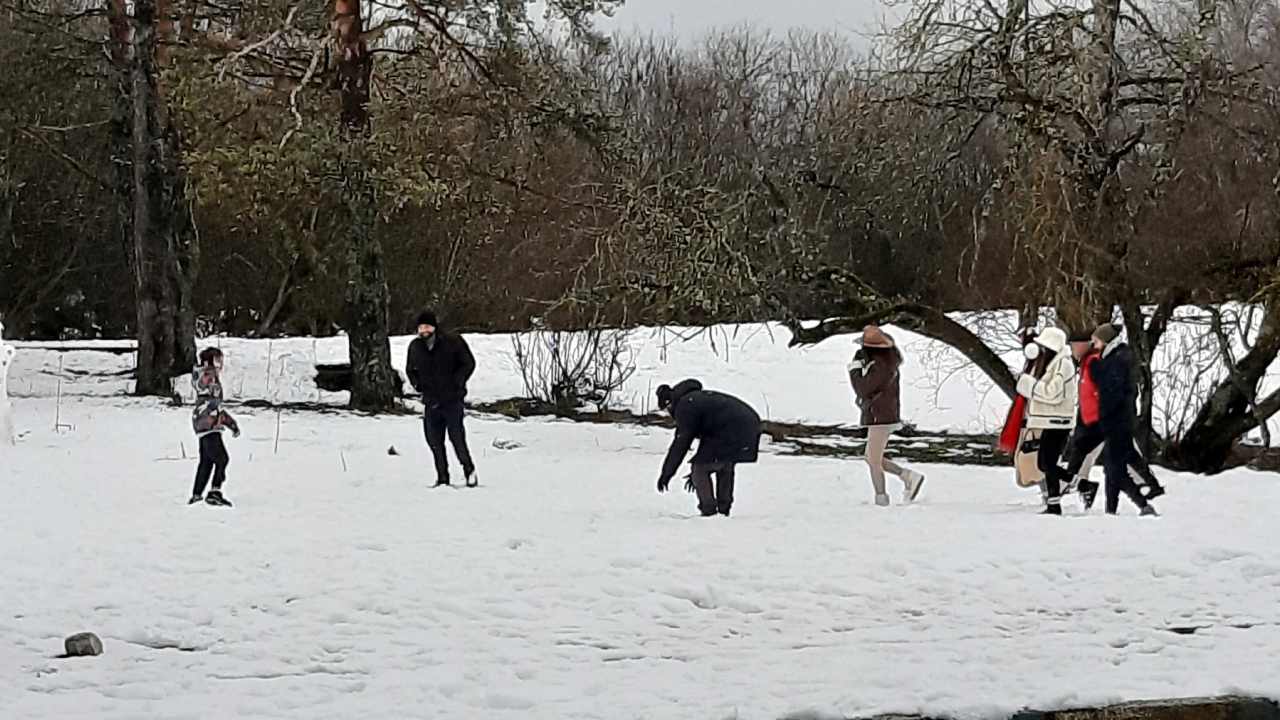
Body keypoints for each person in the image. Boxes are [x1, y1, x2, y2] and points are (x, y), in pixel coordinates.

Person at [1063, 324, 1159, 516]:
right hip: (1109, 421)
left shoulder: (1113, 359)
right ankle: (1123, 505)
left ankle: (1137, 504)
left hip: (1114, 422)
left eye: (1096, 340)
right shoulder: (1108, 358)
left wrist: (1098, 372)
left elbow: (1112, 390)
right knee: (1114, 466)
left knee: (1115, 469)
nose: (1094, 343)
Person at [655, 379, 762, 517]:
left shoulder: (685, 406)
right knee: (724, 464)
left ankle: (709, 511)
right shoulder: (698, 399)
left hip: (731, 430)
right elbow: (709, 438)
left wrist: (667, 473)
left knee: (700, 469)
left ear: (669, 403)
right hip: (750, 424)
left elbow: (681, 443)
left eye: (666, 409)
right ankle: (724, 509)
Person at [848, 325, 925, 506]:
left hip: (880, 416)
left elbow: (863, 388)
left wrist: (854, 370)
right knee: (871, 457)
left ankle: (881, 498)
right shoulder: (885, 362)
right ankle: (907, 476)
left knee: (873, 460)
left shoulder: (881, 365)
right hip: (881, 414)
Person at [406, 310, 478, 488]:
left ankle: (469, 470)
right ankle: (442, 477)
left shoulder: (452, 342)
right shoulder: (415, 347)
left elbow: (469, 363)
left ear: (435, 327)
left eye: (428, 327)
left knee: (457, 438)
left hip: (452, 399)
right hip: (431, 401)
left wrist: (457, 381)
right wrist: (418, 385)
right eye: (421, 327)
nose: (424, 331)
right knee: (434, 441)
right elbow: (410, 369)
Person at [1015, 327, 1078, 515]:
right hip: (1048, 421)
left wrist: (1029, 385)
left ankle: (1063, 496)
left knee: (1046, 464)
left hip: (1058, 423)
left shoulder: (1063, 365)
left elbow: (1052, 393)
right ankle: (1058, 500)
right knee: (1045, 464)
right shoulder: (1053, 364)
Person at [190, 347, 240, 507]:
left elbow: (215, 405)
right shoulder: (207, 375)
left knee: (207, 461)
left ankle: (197, 494)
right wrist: (207, 369)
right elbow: (202, 386)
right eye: (217, 360)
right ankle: (215, 492)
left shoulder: (211, 378)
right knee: (222, 458)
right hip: (208, 424)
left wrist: (230, 423)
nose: (220, 365)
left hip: (207, 423)